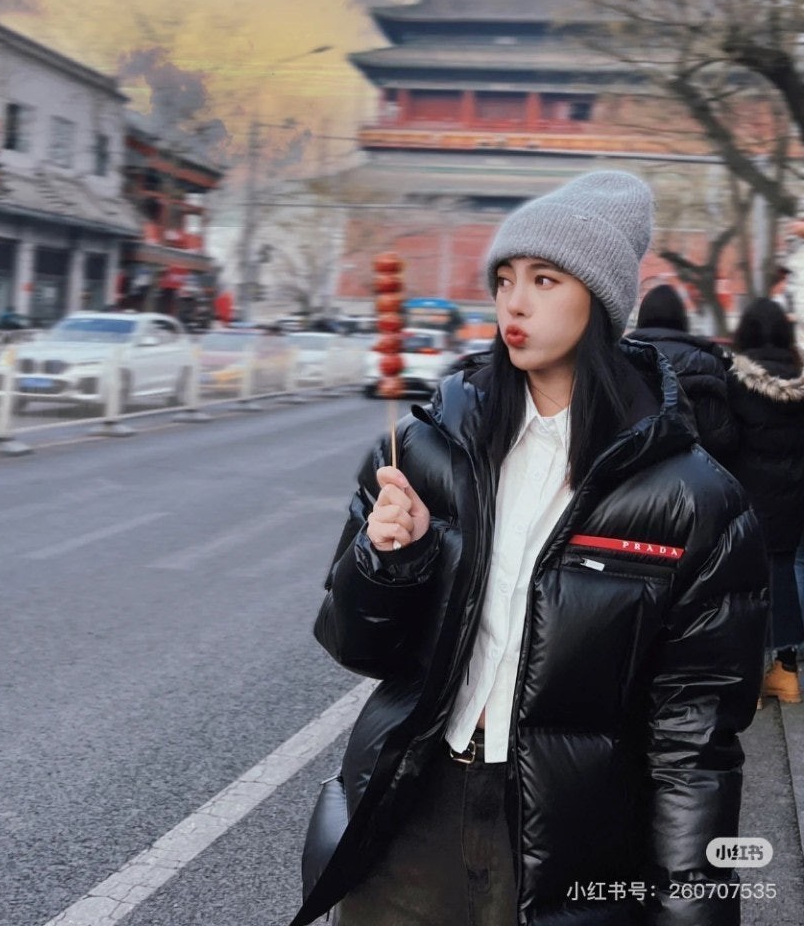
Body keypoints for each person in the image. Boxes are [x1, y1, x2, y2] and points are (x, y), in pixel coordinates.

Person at [291, 171, 767, 926]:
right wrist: (390, 564)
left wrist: (691, 904)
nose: (514, 303)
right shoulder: (426, 450)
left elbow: (694, 740)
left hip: (568, 835)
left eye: (545, 280)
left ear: (600, 301)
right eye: (505, 279)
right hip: (413, 811)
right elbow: (356, 646)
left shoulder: (692, 499)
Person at [727, 297, 804, 705]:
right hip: (793, 500)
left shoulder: (736, 382)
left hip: (749, 498)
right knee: (784, 577)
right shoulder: (801, 382)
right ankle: (786, 673)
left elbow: (724, 438)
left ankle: (750, 681)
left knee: (746, 587)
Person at [626, 282, 737, 467]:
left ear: (642, 318)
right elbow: (721, 438)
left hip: (632, 476)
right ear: (682, 318)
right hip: (696, 476)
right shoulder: (707, 363)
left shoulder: (621, 360)